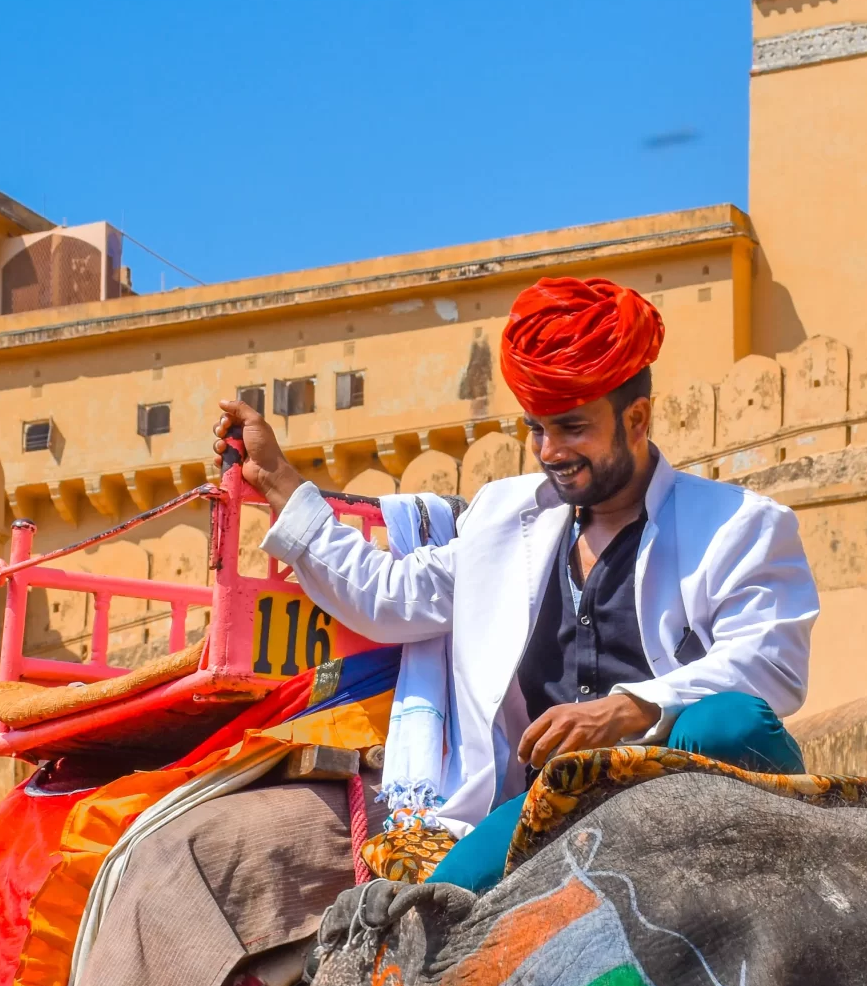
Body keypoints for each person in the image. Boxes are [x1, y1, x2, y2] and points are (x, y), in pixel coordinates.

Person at [215, 275, 820, 891]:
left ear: (636, 419)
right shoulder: (504, 519)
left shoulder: (739, 524)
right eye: (537, 429)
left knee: (729, 724)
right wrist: (280, 482)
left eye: (572, 428)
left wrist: (627, 708)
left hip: (679, 772)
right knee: (443, 907)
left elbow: (770, 663)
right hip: (552, 803)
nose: (549, 450)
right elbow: (392, 597)